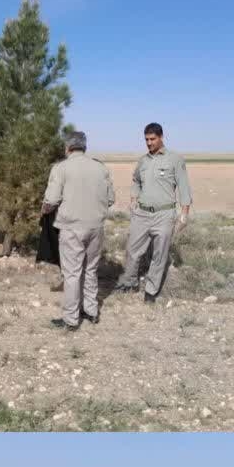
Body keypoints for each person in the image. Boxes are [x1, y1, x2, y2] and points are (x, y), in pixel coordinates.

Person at [42, 132, 115, 331]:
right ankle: (91, 312)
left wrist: (45, 211)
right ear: (84, 147)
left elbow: (51, 201)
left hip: (71, 228)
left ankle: (71, 319)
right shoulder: (100, 168)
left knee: (72, 274)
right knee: (90, 270)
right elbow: (111, 199)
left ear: (67, 148)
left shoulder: (61, 168)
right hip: (96, 227)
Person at [113, 122, 193, 303]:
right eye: (146, 139)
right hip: (141, 214)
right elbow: (136, 181)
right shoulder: (143, 161)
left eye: (152, 139)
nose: (149, 143)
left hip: (164, 215)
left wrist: (184, 213)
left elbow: (184, 187)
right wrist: (133, 199)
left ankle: (151, 291)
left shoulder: (175, 159)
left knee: (159, 255)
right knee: (133, 251)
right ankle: (130, 283)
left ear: (161, 137)